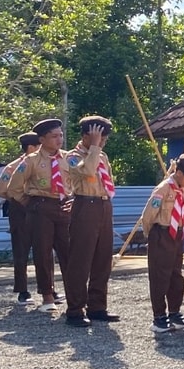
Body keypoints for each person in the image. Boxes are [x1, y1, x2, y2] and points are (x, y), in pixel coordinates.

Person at [5, 119, 71, 311]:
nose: (59, 139)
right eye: (54, 136)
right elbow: (13, 187)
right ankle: (47, 296)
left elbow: (76, 181)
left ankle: (74, 296)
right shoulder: (31, 161)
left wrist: (72, 200)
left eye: (61, 135)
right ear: (42, 139)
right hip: (41, 208)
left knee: (69, 252)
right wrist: (29, 203)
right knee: (42, 253)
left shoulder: (68, 158)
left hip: (63, 207)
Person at [62, 116, 118, 328]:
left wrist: (97, 149)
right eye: (99, 137)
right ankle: (75, 310)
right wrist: (94, 147)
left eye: (104, 139)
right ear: (86, 135)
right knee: (81, 259)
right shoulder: (72, 156)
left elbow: (106, 180)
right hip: (85, 204)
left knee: (103, 258)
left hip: (103, 205)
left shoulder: (101, 155)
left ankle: (97, 307)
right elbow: (86, 170)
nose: (102, 142)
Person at [140, 154, 184, 333]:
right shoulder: (164, 188)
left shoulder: (183, 189)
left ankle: (174, 311)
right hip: (162, 232)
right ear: (180, 172)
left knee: (176, 275)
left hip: (177, 234)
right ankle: (159, 316)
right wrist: (152, 235)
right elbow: (148, 215)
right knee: (160, 275)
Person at [0, 131, 41, 304]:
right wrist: (16, 198)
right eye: (39, 146)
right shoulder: (14, 166)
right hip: (20, 210)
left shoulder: (43, 163)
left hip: (40, 209)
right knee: (21, 250)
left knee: (44, 249)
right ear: (31, 148)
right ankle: (22, 291)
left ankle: (47, 290)